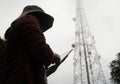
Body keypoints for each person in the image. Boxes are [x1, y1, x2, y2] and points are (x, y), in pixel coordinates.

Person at [0, 5, 61, 84]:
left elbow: (28, 64)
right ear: (39, 17)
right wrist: (53, 56)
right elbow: (40, 48)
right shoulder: (29, 19)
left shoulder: (17, 33)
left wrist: (46, 72)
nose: (42, 29)